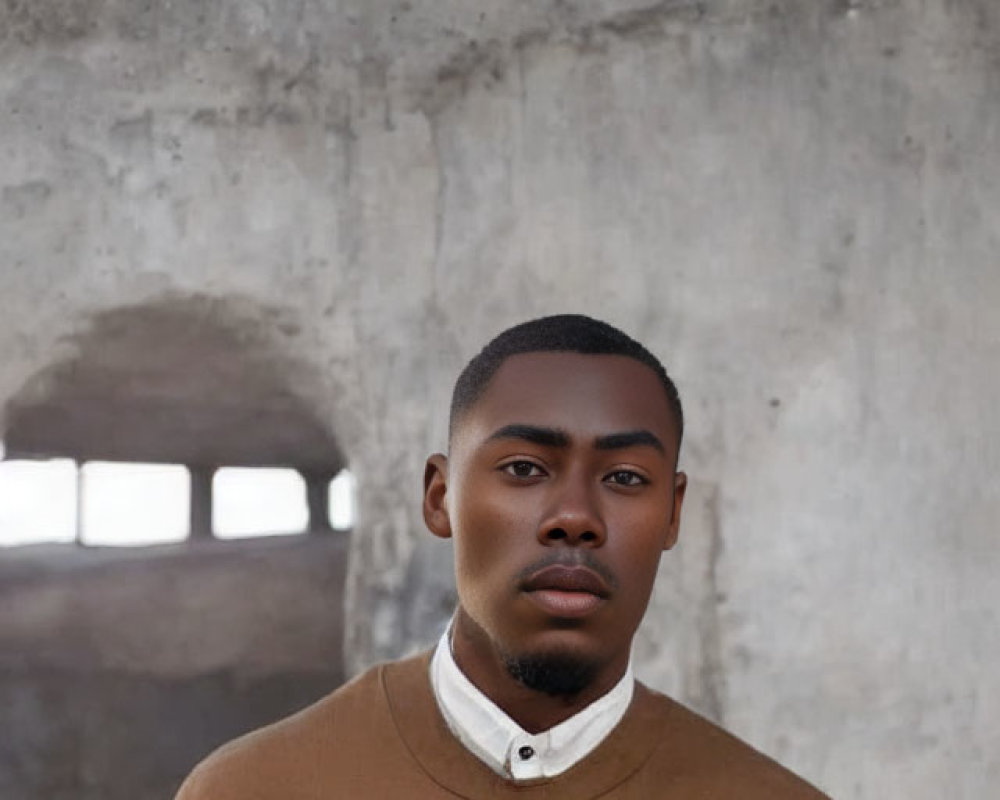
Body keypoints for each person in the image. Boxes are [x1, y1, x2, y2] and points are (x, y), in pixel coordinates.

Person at [175, 314, 830, 799]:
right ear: (440, 497)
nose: (575, 517)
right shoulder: (253, 789)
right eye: (524, 467)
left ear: (673, 514)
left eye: (625, 478)